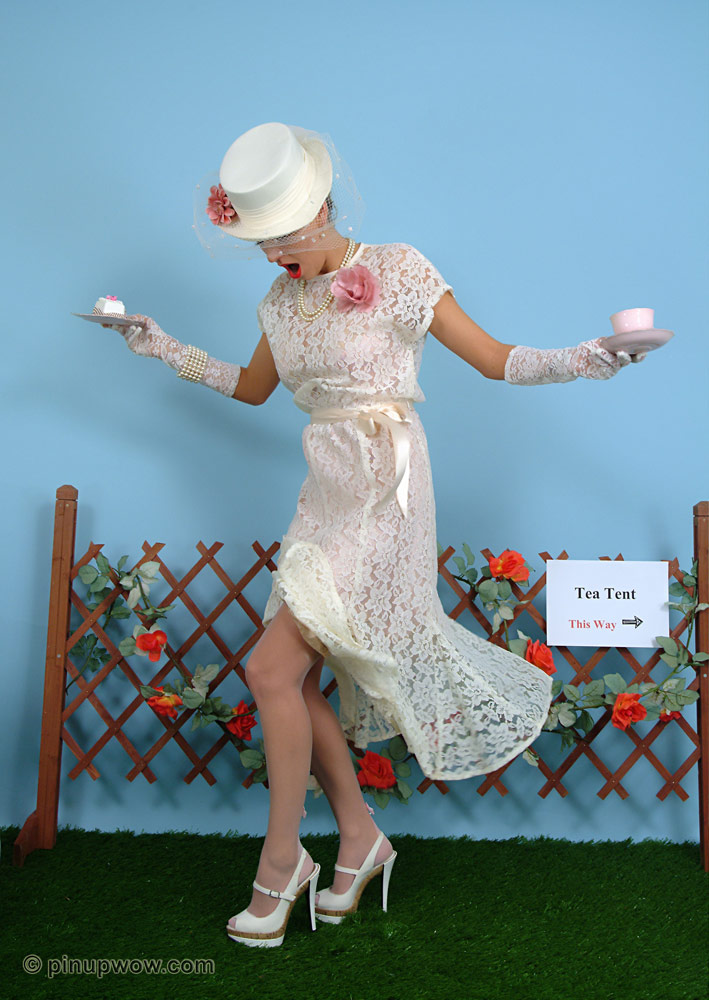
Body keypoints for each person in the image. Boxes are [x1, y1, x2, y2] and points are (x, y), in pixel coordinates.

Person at [107, 122, 646, 948]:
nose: (273, 254)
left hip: (386, 495)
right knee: (293, 681)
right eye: (259, 241)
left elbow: (493, 358)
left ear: (323, 206)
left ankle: (281, 860)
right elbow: (251, 388)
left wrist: (592, 356)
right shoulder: (277, 303)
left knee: (269, 669)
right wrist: (161, 349)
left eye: (284, 234)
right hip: (323, 495)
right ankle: (358, 839)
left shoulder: (397, 267)